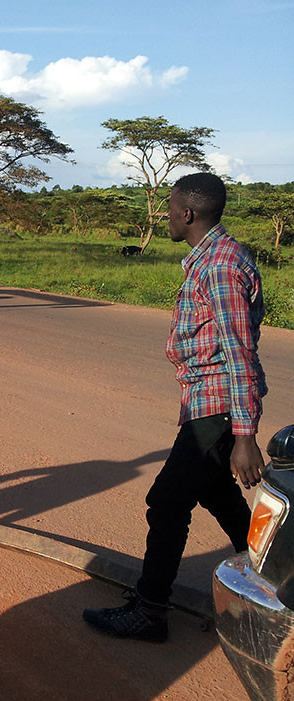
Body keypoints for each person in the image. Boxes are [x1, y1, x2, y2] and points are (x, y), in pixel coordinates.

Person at [83, 172, 267, 643]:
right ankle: (277, 577)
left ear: (187, 214)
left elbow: (238, 350)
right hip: (208, 403)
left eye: (169, 208)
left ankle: (150, 611)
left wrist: (244, 436)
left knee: (166, 503)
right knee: (217, 494)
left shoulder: (220, 266)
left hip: (218, 408)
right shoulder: (208, 258)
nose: (165, 215)